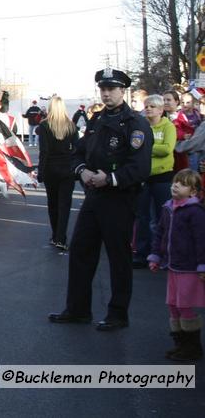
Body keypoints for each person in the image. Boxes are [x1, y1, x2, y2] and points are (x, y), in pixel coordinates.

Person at [50, 67, 153, 332]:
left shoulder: (135, 124)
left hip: (119, 199)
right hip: (94, 197)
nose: (106, 94)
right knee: (81, 251)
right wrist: (82, 171)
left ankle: (118, 314)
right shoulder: (95, 121)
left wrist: (109, 178)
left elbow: (139, 167)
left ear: (122, 91)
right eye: (103, 89)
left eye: (111, 89)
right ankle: (77, 309)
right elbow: (78, 154)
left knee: (119, 259)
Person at [148, 169, 205, 361]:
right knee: (172, 305)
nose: (175, 186)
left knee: (185, 306)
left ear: (193, 192)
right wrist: (155, 256)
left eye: (182, 184)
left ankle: (192, 348)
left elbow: (201, 240)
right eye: (174, 183)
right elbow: (159, 233)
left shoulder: (195, 212)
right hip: (172, 266)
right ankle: (180, 344)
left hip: (188, 268)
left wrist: (202, 265)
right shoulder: (168, 207)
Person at [133, 94, 176, 268]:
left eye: (152, 106)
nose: (148, 109)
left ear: (160, 110)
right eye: (147, 106)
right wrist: (148, 148)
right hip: (143, 176)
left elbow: (167, 149)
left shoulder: (168, 127)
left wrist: (147, 146)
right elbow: (134, 146)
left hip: (163, 177)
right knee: (142, 216)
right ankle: (142, 253)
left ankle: (162, 254)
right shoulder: (141, 126)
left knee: (161, 217)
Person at [37, 96, 79, 250]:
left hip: (51, 169)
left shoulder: (44, 126)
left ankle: (56, 235)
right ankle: (61, 237)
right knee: (65, 204)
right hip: (67, 168)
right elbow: (77, 148)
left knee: (53, 203)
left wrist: (40, 172)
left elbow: (44, 151)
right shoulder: (71, 126)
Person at [164, 89, 190, 172]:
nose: (165, 102)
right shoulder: (160, 117)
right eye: (164, 100)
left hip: (178, 157)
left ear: (176, 102)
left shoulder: (182, 117)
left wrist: (181, 135)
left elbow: (188, 134)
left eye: (168, 100)